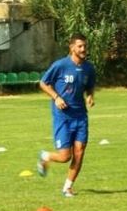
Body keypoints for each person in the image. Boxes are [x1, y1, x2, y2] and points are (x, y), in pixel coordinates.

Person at [36, 33, 96, 197]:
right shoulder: (60, 65)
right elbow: (43, 83)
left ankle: (67, 187)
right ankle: (45, 156)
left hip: (81, 116)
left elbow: (89, 86)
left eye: (85, 46)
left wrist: (90, 96)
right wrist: (56, 97)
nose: (83, 49)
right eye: (80, 46)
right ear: (72, 48)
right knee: (64, 157)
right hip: (63, 116)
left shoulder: (89, 68)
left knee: (80, 151)